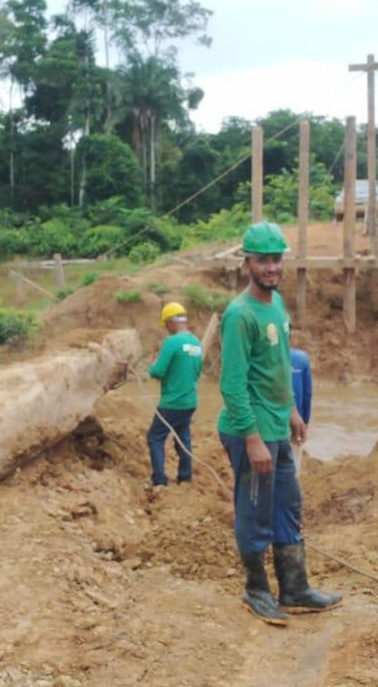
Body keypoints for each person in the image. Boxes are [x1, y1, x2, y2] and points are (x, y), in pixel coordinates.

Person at [218, 221, 341, 626]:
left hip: (276, 424)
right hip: (248, 428)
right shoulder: (239, 315)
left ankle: (294, 588)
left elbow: (279, 365)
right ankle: (256, 589)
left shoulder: (277, 305)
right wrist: (252, 439)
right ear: (247, 263)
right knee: (254, 509)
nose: (271, 267)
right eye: (263, 260)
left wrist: (291, 410)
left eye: (276, 259)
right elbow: (233, 385)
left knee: (288, 504)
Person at [146, 301, 203, 488]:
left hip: (171, 402)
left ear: (171, 321)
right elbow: (196, 372)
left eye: (166, 325)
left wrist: (151, 368)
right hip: (189, 401)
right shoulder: (196, 343)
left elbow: (158, 371)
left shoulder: (172, 342)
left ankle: (159, 480)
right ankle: (185, 477)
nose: (167, 329)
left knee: (155, 437)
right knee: (183, 437)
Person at [289, 331, 312, 475]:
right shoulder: (301, 358)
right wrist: (305, 422)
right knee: (292, 470)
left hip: (269, 423)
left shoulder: (263, 357)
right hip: (296, 424)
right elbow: (307, 394)